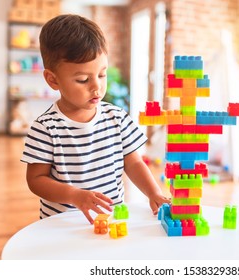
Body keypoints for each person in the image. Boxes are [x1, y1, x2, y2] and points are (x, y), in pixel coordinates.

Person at [21, 14, 169, 225]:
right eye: (83, 79)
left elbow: (134, 162)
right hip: (62, 224)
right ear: (53, 79)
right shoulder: (45, 128)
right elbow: (36, 181)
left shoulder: (117, 118)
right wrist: (74, 195)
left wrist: (154, 192)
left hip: (110, 219)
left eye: (102, 75)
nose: (96, 87)